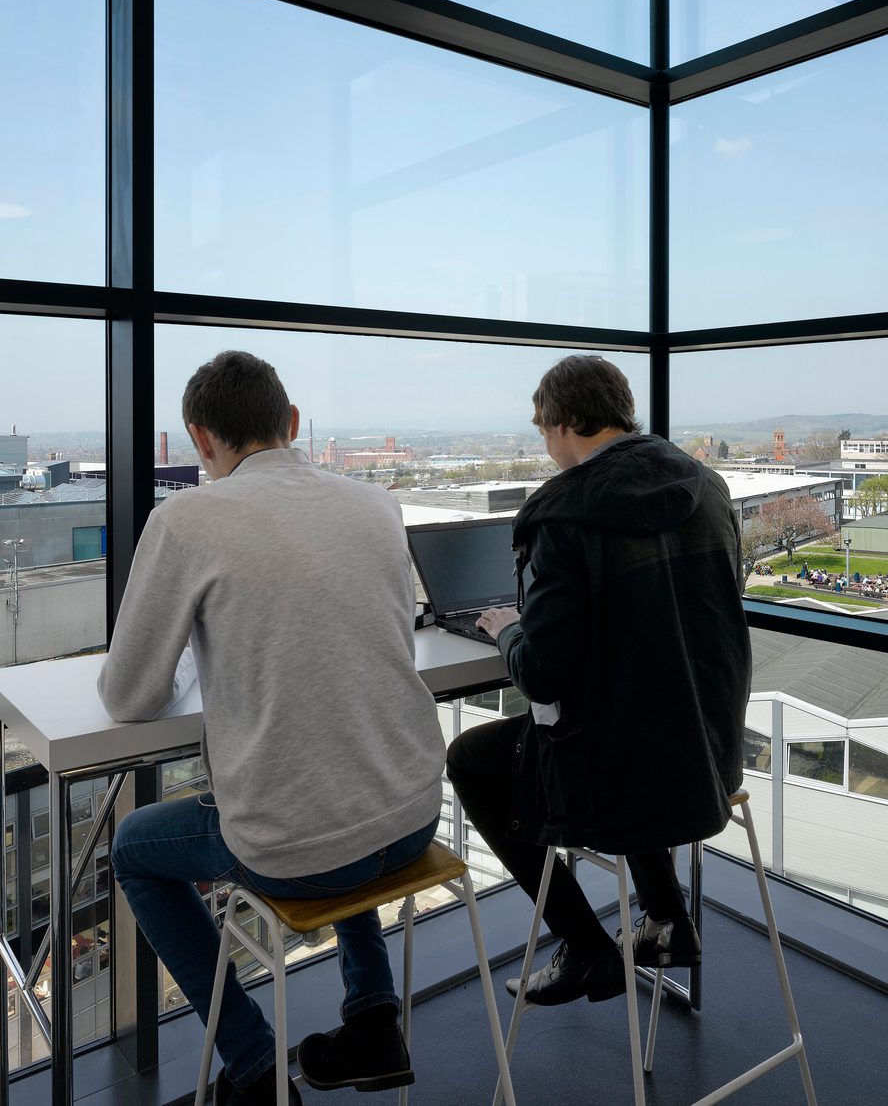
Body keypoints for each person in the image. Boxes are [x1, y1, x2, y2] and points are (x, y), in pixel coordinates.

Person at [98, 351, 446, 1105]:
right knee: (338, 775)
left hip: (303, 852)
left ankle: (253, 1063)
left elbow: (128, 694)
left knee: (132, 850)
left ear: (199, 439)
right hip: (416, 814)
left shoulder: (185, 518)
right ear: (289, 424)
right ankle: (373, 1019)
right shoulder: (374, 504)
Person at [446, 355, 751, 1006]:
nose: (546, 446)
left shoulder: (561, 516)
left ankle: (586, 949)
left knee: (471, 757)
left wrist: (506, 627)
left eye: (542, 430)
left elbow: (541, 672)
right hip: (708, 753)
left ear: (566, 423)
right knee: (626, 712)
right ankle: (665, 919)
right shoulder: (706, 485)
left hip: (627, 776)